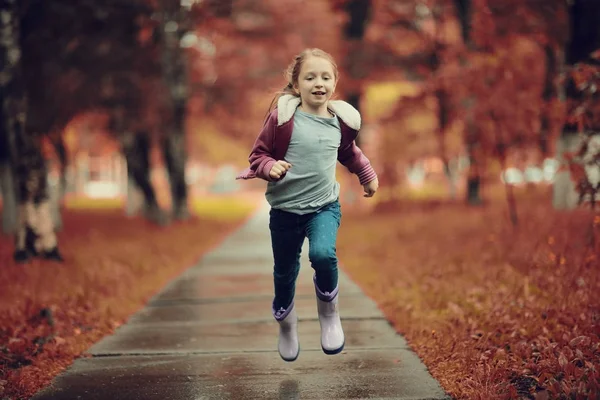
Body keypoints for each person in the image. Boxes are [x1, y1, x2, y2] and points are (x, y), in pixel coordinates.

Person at [236, 48, 379, 361]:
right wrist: (269, 167)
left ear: (334, 83)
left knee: (323, 255)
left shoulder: (340, 122)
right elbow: (258, 155)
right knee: (284, 271)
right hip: (285, 212)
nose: (319, 83)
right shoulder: (283, 119)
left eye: (326, 77)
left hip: (323, 206)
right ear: (296, 84)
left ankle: (329, 315)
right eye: (310, 77)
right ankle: (287, 324)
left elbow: (350, 153)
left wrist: (366, 175)